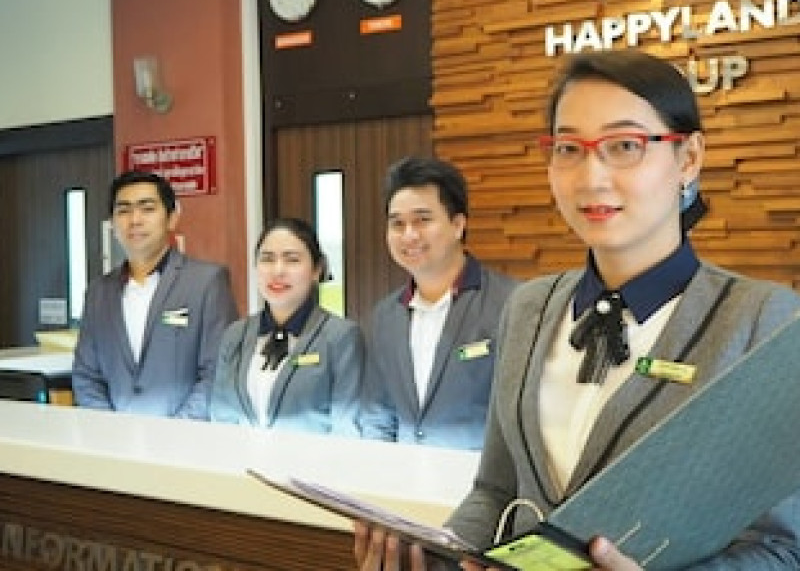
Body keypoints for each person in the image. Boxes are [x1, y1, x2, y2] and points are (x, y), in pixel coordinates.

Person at [354, 50, 800, 570]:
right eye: (568, 148)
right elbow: (496, 491)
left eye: (625, 146)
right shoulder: (529, 308)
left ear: (688, 158)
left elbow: (782, 546)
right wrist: (433, 556)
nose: (591, 177)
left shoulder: (764, 321)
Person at [357, 156, 517, 450]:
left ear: (458, 225)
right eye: (397, 224)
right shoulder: (385, 316)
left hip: (480, 476)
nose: (409, 235)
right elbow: (377, 413)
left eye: (422, 220)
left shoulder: (512, 303)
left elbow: (521, 418)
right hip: (401, 474)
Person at [72, 170, 238, 419]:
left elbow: (218, 373)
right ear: (113, 223)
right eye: (124, 210)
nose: (135, 220)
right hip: (113, 438)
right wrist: (108, 429)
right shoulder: (98, 292)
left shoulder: (207, 282)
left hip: (184, 437)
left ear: (171, 218)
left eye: (147, 209)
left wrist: (172, 432)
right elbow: (87, 375)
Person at [209, 217, 363, 435]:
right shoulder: (235, 335)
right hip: (241, 456)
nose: (278, 270)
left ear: (316, 270)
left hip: (312, 457)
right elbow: (221, 415)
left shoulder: (341, 337)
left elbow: (346, 426)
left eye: (292, 260)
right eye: (267, 259)